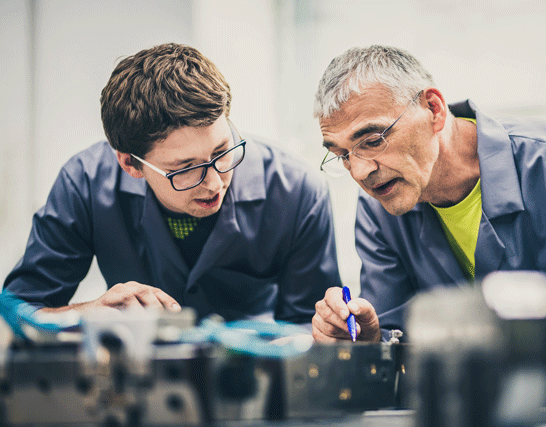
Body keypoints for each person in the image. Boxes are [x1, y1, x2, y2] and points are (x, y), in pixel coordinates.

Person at [310, 45, 546, 410]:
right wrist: (371, 343)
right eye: (343, 154)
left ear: (434, 110)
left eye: (373, 140)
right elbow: (407, 367)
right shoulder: (380, 210)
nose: (360, 172)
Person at [3, 43, 342, 325]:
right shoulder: (84, 183)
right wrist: (88, 314)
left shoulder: (298, 190)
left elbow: (313, 334)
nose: (213, 183)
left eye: (222, 151)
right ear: (130, 164)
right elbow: (16, 314)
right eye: (185, 168)